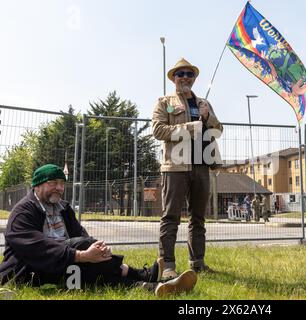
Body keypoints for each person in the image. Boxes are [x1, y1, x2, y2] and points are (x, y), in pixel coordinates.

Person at [0, 164, 197, 296]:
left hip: (62, 263)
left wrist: (98, 249)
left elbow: (80, 233)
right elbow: (37, 248)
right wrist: (81, 254)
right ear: (38, 185)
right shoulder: (23, 212)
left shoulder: (63, 207)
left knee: (91, 269)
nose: (59, 188)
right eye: (53, 183)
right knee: (84, 251)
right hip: (29, 270)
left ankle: (152, 286)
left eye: (62, 184)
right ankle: (141, 274)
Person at [152, 58, 223, 279]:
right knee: (171, 216)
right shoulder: (164, 102)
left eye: (189, 74)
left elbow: (218, 130)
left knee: (198, 218)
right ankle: (168, 265)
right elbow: (158, 130)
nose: (184, 77)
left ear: (194, 78)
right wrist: (191, 127)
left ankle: (198, 263)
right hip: (175, 167)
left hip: (202, 165)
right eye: (180, 74)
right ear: (173, 78)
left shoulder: (204, 103)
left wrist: (207, 116)